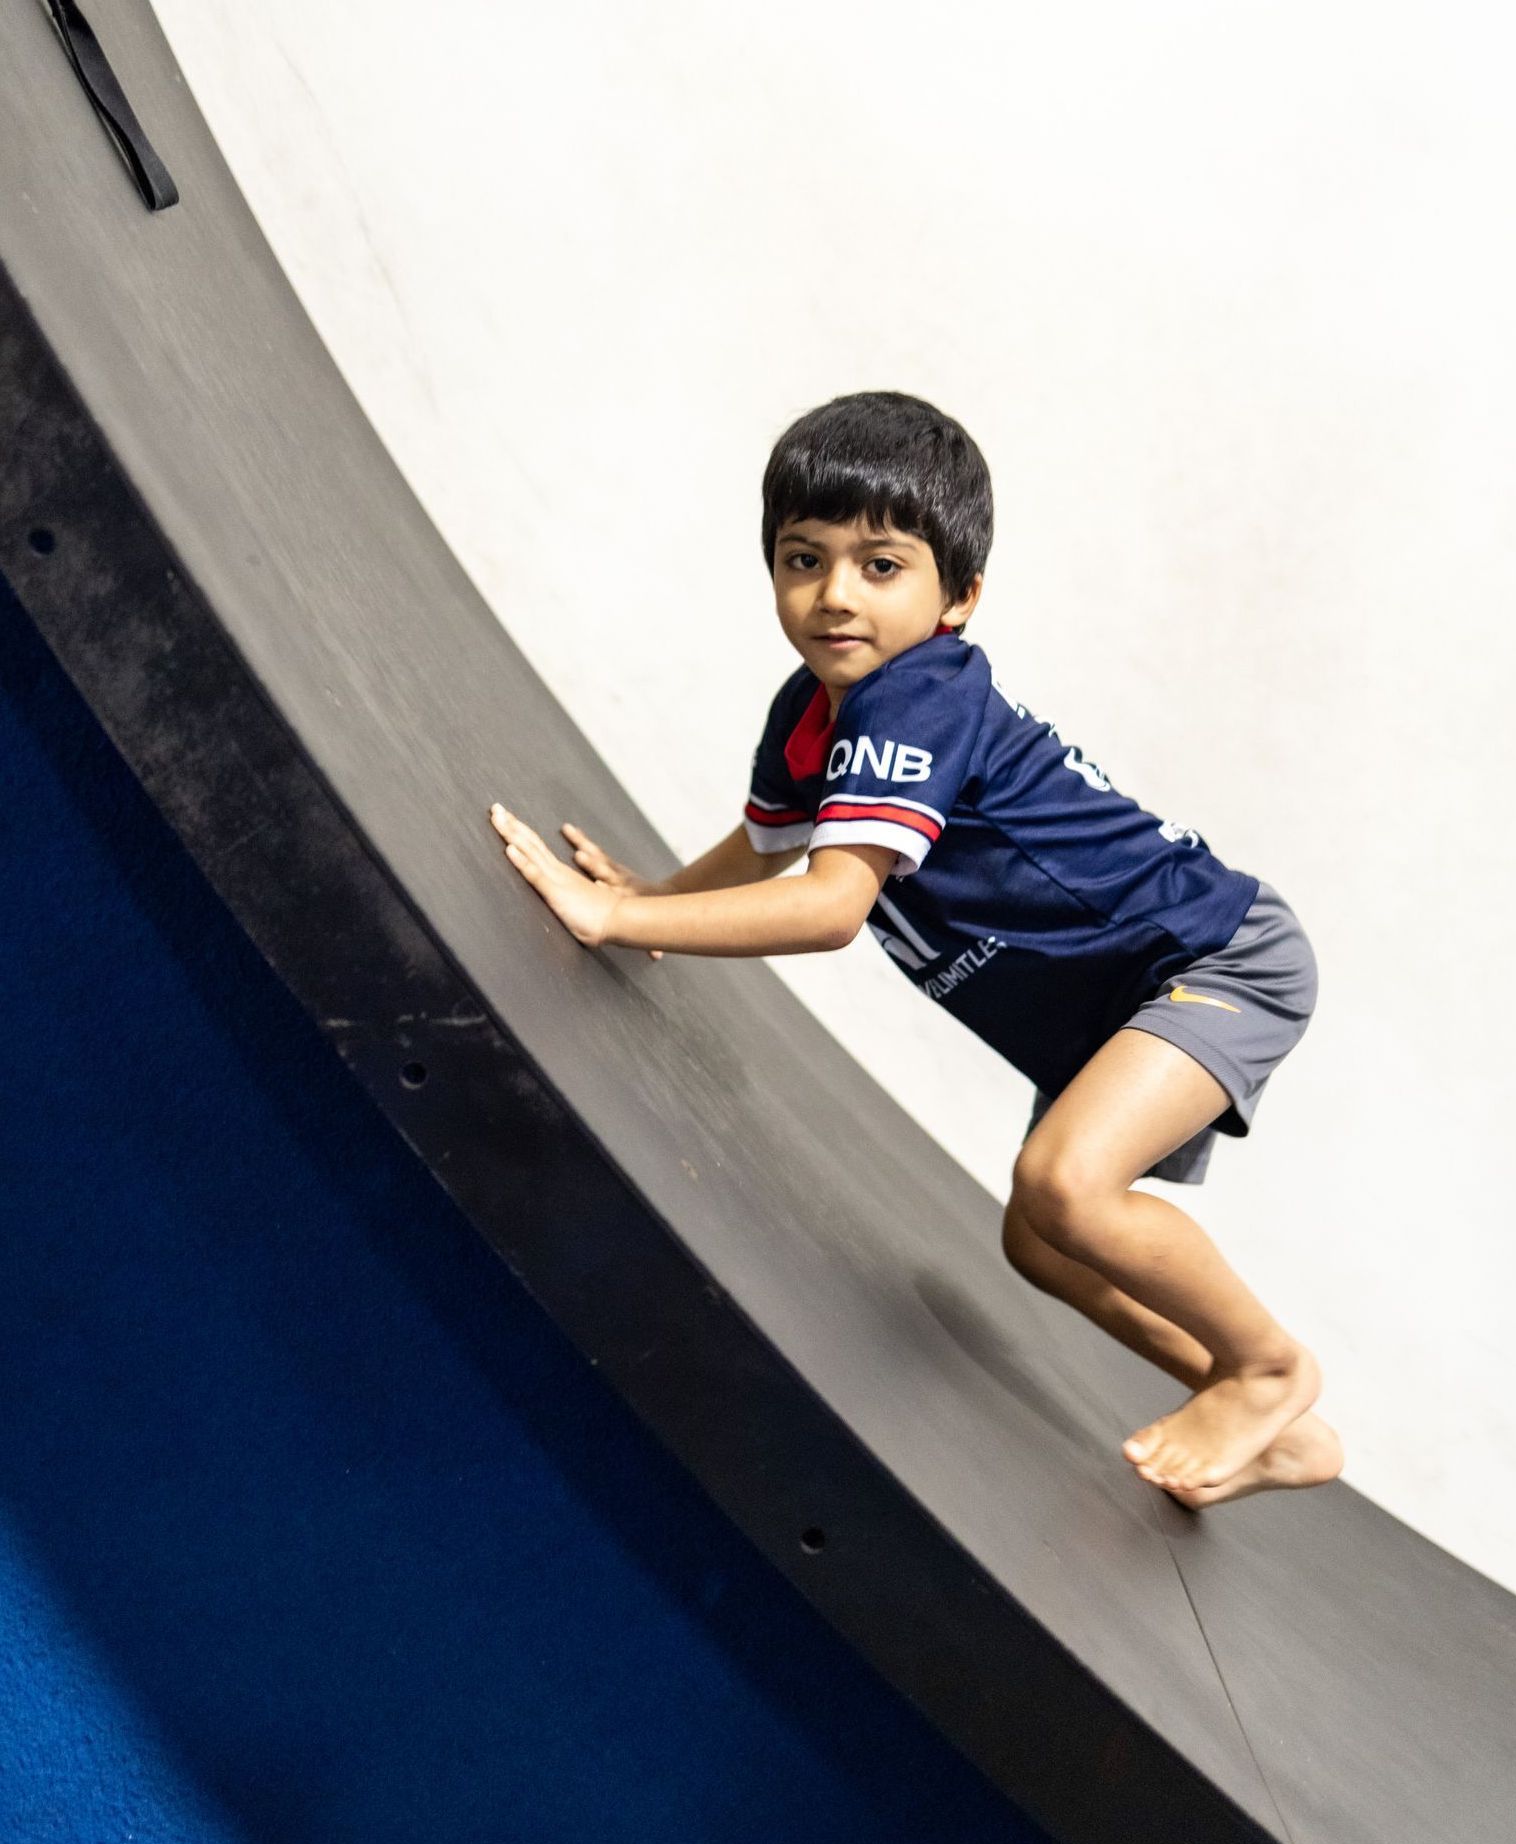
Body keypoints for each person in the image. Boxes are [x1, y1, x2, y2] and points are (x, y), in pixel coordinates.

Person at [489, 390, 1338, 1509]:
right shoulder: (813, 709)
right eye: (804, 559)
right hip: (1111, 999)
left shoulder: (919, 696)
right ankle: (1259, 1408)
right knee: (1044, 1241)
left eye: (881, 565)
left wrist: (620, 923)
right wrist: (653, 902)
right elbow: (767, 846)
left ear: (959, 597)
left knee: (1066, 1182)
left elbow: (832, 904)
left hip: (1213, 954)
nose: (835, 595)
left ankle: (1272, 1366)